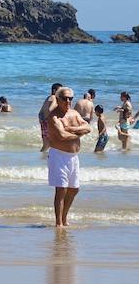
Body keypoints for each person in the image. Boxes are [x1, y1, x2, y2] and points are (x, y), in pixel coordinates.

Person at [47, 87, 90, 227]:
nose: (68, 101)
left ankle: (64, 219)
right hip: (59, 156)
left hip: (74, 157)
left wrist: (72, 129)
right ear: (58, 99)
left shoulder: (74, 113)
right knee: (61, 189)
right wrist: (79, 133)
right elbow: (62, 136)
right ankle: (58, 222)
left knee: (74, 189)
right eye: (65, 98)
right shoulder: (54, 116)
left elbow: (88, 127)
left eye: (70, 98)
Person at [37, 83, 63, 154]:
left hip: (43, 120)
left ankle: (42, 157)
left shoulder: (49, 97)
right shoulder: (54, 98)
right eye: (60, 91)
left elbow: (40, 112)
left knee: (46, 144)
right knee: (50, 143)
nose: (61, 92)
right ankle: (47, 157)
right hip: (47, 122)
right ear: (54, 91)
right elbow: (50, 109)